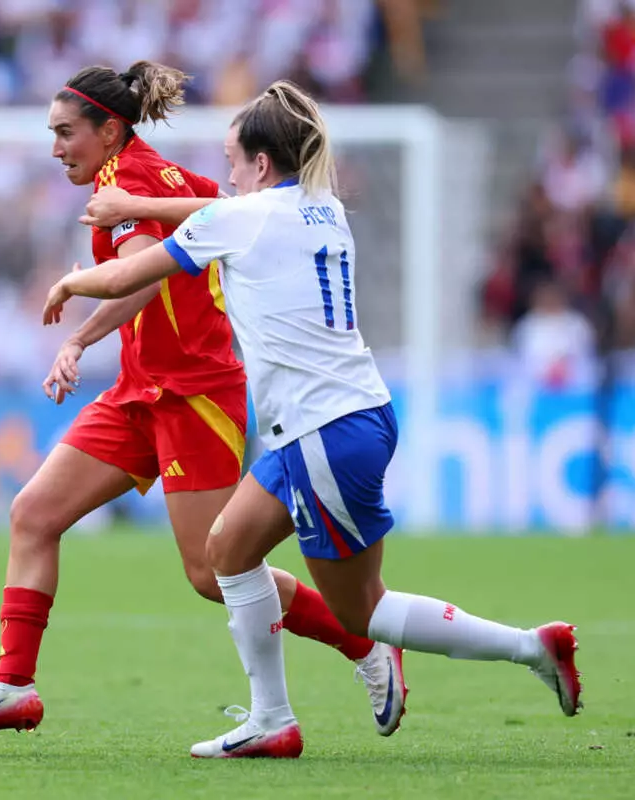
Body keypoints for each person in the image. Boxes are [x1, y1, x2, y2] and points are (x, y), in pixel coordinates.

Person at [43, 80, 583, 759]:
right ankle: (272, 719)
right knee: (228, 551)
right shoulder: (323, 207)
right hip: (340, 420)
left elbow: (128, 277)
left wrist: (68, 283)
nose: (227, 176)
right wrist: (143, 202)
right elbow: (222, 208)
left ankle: (531, 647)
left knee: (365, 610)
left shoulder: (241, 218)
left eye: (234, 161)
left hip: (325, 432)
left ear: (262, 165)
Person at [0, 63, 406, 742]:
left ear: (109, 128)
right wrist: (84, 343)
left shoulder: (133, 180)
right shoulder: (139, 175)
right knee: (33, 513)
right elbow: (221, 210)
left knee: (213, 570)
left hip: (193, 391)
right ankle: (13, 686)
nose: (56, 146)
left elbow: (143, 274)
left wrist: (79, 308)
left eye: (66, 132)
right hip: (139, 387)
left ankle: (364, 643)